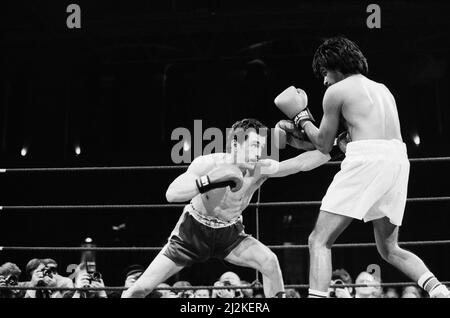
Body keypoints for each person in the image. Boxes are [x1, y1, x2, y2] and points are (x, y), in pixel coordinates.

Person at [274, 36, 450, 298]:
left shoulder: (335, 92)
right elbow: (342, 142)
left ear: (335, 64)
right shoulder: (383, 90)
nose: (324, 80)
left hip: (368, 159)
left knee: (319, 240)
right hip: (398, 161)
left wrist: (301, 117)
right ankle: (439, 291)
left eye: (324, 72)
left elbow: (323, 145)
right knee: (389, 249)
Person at [122, 118, 331, 298]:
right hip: (191, 233)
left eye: (262, 146)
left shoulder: (261, 169)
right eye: (255, 145)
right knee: (139, 290)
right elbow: (172, 194)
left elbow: (301, 164)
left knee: (270, 262)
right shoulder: (208, 163)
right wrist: (209, 180)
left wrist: (335, 146)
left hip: (230, 235)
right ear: (236, 143)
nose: (259, 152)